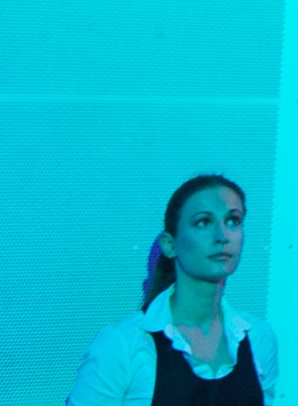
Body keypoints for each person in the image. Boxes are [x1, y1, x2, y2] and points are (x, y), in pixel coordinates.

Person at [68, 173, 280, 404]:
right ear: (169, 244)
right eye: (203, 222)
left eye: (232, 221)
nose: (222, 236)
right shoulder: (123, 344)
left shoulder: (259, 339)